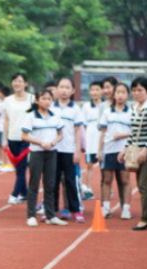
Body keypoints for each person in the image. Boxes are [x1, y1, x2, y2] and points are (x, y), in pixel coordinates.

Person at [22, 90, 66, 227]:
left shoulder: (55, 116)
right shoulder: (31, 117)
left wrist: (53, 142)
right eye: (43, 98)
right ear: (37, 101)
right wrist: (40, 143)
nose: (47, 101)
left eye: (49, 99)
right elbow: (24, 136)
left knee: (50, 184)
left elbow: (60, 134)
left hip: (51, 153)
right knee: (34, 184)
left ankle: (50, 215)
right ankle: (31, 215)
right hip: (37, 153)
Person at [121, 77, 147, 231]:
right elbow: (134, 133)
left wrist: (146, 150)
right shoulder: (135, 108)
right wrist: (124, 149)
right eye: (134, 90)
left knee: (144, 185)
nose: (136, 93)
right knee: (142, 186)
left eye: (140, 90)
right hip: (137, 152)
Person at [52, 78, 86, 223]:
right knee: (52, 182)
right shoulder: (51, 107)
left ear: (72, 91)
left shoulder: (75, 109)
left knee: (70, 181)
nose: (64, 90)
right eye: (61, 87)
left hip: (69, 150)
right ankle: (52, 210)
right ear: (57, 89)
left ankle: (76, 210)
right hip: (53, 150)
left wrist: (77, 150)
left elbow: (78, 130)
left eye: (67, 88)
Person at [98, 83, 133, 220]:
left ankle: (126, 209)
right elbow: (103, 132)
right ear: (114, 95)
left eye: (123, 92)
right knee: (107, 179)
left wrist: (122, 135)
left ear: (127, 95)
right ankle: (105, 208)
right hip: (109, 149)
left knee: (125, 179)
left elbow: (135, 132)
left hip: (124, 150)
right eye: (118, 92)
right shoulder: (107, 111)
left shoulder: (131, 112)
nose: (120, 95)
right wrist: (100, 150)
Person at [3, 73, 35, 206]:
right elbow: (6, 120)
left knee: (22, 167)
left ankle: (14, 193)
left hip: (27, 137)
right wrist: (4, 139)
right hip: (13, 137)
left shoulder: (32, 99)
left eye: (20, 81)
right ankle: (25, 193)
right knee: (19, 168)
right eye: (15, 81)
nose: (17, 84)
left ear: (25, 83)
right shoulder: (8, 100)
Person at [82, 81, 104, 200]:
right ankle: (88, 189)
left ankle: (106, 189)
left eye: (97, 89)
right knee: (89, 165)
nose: (95, 92)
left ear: (102, 91)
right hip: (90, 139)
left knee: (104, 166)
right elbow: (83, 125)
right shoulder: (86, 106)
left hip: (102, 139)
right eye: (92, 90)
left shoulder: (106, 105)